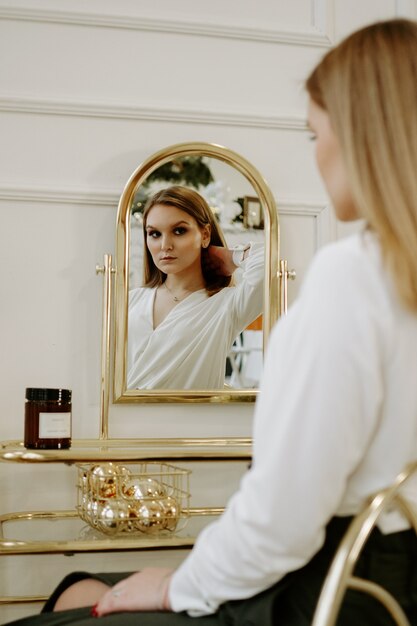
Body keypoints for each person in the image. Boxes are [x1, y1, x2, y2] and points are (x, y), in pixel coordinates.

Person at [8, 17, 417, 626]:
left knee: (76, 602)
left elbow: (283, 518)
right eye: (153, 234)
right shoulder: (385, 277)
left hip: (322, 597)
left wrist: (178, 586)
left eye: (316, 136)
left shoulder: (352, 276)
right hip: (391, 586)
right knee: (81, 584)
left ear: (362, 135)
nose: (319, 155)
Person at [126, 185, 264, 389]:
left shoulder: (227, 304)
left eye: (179, 231)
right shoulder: (132, 300)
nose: (165, 245)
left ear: (205, 234)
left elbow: (270, 263)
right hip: (129, 419)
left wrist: (229, 257)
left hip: (196, 420)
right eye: (154, 234)